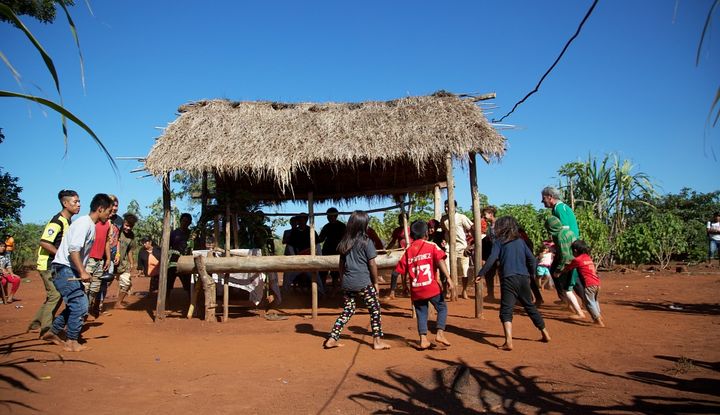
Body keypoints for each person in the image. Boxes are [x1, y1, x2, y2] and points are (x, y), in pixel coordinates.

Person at [42, 193, 113, 352]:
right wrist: (82, 271)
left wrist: (82, 271)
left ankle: (53, 332)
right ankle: (71, 341)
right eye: (108, 211)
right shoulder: (84, 224)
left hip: (69, 268)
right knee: (81, 305)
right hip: (63, 268)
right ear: (100, 209)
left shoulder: (90, 225)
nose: (109, 215)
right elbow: (74, 249)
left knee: (76, 304)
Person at [475, 216, 551, 351]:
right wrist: (530, 275)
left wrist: (481, 273)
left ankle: (508, 341)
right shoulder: (520, 241)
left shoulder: (499, 242)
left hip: (508, 278)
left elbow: (492, 258)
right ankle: (545, 333)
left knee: (506, 310)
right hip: (523, 278)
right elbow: (532, 260)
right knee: (530, 306)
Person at [324, 211, 390, 351]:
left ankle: (332, 338)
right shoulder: (367, 242)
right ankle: (377, 341)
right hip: (363, 283)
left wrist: (343, 279)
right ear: (363, 225)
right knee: (375, 309)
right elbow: (372, 264)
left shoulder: (344, 242)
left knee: (348, 310)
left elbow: (341, 265)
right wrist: (376, 283)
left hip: (348, 282)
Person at [28, 189, 81, 334]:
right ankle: (46, 330)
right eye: (75, 202)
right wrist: (61, 255)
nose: (78, 205)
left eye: (79, 201)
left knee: (54, 295)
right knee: (55, 295)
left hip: (55, 264)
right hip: (47, 264)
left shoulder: (67, 221)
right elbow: (44, 242)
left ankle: (36, 324)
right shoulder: (57, 221)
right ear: (65, 203)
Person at [395, 220, 453, 349]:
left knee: (421, 313)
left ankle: (423, 340)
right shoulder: (431, 245)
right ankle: (440, 333)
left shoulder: (408, 250)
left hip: (416, 289)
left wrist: (404, 285)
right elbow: (440, 260)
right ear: (426, 233)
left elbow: (401, 271)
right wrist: (448, 278)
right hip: (431, 286)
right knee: (442, 308)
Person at [545, 216, 585, 319]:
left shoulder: (560, 236)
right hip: (576, 261)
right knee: (571, 285)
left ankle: (579, 312)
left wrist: (559, 269)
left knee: (567, 289)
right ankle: (572, 306)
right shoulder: (568, 232)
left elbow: (564, 255)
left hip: (568, 263)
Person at [562, 240, 605, 327]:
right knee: (594, 300)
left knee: (589, 303)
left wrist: (560, 271)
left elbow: (568, 267)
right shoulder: (587, 257)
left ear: (575, 251)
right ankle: (599, 315)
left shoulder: (577, 260)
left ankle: (598, 320)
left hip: (589, 284)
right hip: (596, 283)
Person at [84, 198, 113, 318]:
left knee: (95, 289)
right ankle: (80, 313)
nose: (109, 214)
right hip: (88, 260)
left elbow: (106, 241)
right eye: (109, 211)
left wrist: (107, 258)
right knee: (85, 287)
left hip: (100, 260)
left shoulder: (107, 223)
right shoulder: (89, 222)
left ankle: (86, 311)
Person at [441, 200, 474, 299]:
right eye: (445, 206)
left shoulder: (461, 217)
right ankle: (449, 290)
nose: (446, 208)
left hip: (462, 248)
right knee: (447, 270)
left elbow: (472, 229)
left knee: (464, 271)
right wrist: (443, 240)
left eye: (448, 206)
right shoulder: (443, 219)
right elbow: (443, 231)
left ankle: (464, 290)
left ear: (455, 207)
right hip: (448, 248)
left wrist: (470, 244)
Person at [113, 213, 138, 308]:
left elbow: (130, 251)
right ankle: (96, 304)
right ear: (123, 222)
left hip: (122, 264)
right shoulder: (117, 231)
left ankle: (118, 303)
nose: (128, 228)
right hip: (111, 262)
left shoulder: (131, 236)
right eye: (127, 225)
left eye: (131, 226)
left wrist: (132, 263)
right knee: (104, 284)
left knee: (126, 282)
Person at [318, 208, 346, 292]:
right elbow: (321, 239)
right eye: (328, 216)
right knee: (323, 271)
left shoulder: (342, 226)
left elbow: (346, 239)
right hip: (327, 251)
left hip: (338, 251)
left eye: (330, 216)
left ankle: (334, 291)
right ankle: (323, 290)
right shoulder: (326, 227)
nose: (328, 217)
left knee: (336, 273)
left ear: (335, 216)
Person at [167, 213, 193, 302]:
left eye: (187, 221)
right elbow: (167, 247)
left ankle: (192, 303)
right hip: (173, 261)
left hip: (186, 261)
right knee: (168, 283)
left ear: (190, 223)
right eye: (184, 221)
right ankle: (164, 302)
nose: (185, 223)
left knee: (188, 284)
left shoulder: (191, 235)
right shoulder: (173, 234)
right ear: (180, 221)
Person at [384, 213, 410, 300]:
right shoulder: (397, 231)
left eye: (402, 219)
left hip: (410, 253)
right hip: (400, 254)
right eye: (400, 220)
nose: (400, 221)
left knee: (411, 273)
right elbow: (393, 242)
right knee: (395, 273)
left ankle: (406, 289)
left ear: (407, 220)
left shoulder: (411, 230)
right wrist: (385, 250)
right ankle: (392, 292)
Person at [480, 206, 498, 300]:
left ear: (491, 214)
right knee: (489, 274)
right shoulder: (490, 227)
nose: (484, 217)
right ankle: (490, 294)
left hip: (501, 253)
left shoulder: (499, 224)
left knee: (504, 275)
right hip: (493, 253)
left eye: (485, 215)